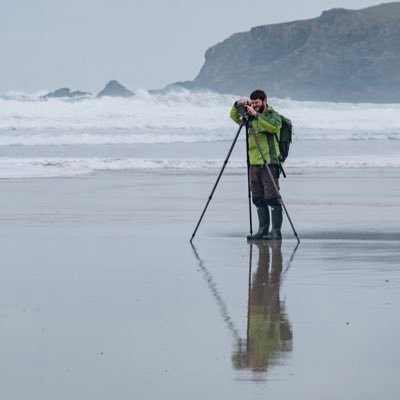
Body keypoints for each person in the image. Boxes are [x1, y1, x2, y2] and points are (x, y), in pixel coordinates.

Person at [230, 89, 283, 240]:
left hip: (269, 162)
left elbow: (273, 127)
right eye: (252, 103)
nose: (254, 106)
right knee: (258, 197)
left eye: (257, 103)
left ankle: (276, 232)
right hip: (253, 162)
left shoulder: (273, 115)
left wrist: (256, 115)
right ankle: (263, 230)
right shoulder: (249, 117)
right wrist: (237, 105)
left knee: (272, 197)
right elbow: (234, 117)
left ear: (265, 101)